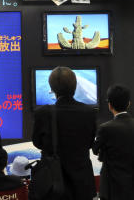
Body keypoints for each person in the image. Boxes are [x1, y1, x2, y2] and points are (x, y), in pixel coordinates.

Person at [32, 66, 97, 200]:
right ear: (75, 86)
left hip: (52, 183)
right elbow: (90, 142)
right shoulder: (89, 113)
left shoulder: (43, 113)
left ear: (52, 88)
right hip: (81, 183)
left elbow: (37, 142)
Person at [92, 84, 134, 200]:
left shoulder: (105, 128)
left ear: (109, 105)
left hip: (111, 186)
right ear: (129, 103)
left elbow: (95, 150)